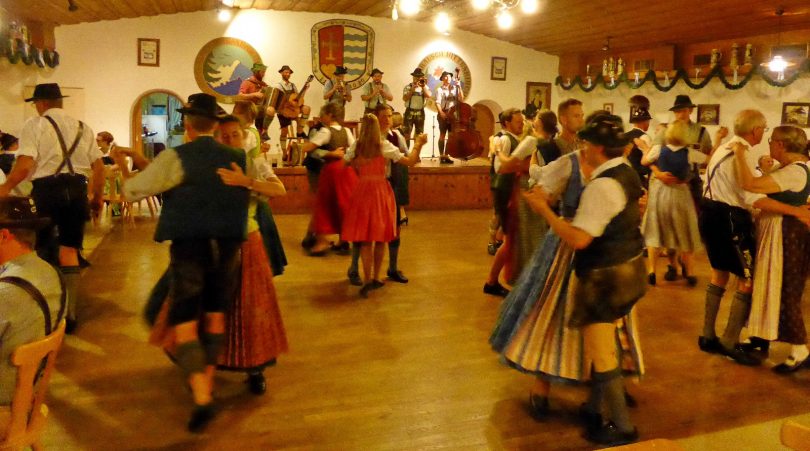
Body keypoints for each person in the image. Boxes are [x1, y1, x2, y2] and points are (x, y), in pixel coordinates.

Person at [491, 112, 644, 431]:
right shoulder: (570, 163)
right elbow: (544, 194)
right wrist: (544, 202)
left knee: (603, 326)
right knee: (552, 319)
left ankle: (602, 394)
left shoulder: (614, 172)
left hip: (596, 254)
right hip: (566, 249)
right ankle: (543, 389)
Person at [122, 93, 249, 432]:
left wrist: (124, 167)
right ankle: (206, 383)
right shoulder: (238, 156)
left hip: (191, 248)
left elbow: (132, 191)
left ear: (188, 125)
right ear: (215, 125)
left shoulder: (176, 157)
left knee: (186, 324)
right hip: (229, 248)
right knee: (216, 319)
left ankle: (203, 397)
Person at [144, 114, 288, 397]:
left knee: (248, 310)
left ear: (243, 136)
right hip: (206, 244)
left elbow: (279, 190)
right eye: (224, 135)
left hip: (246, 245)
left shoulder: (254, 164)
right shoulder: (205, 165)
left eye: (235, 134)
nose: (230, 140)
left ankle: (255, 369)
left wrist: (246, 181)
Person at [696, 109, 808, 367]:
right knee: (747, 279)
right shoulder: (741, 152)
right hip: (731, 219)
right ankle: (729, 342)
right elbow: (751, 195)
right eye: (764, 130)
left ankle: (708, 335)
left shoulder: (725, 147)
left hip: (710, 213)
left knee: (719, 274)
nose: (765, 137)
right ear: (755, 130)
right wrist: (797, 211)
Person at [0, 83, 104, 334]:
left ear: (42, 103)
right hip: (77, 190)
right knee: (69, 249)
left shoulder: (35, 125)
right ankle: (70, 314)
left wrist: (6, 188)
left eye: (36, 103)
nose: (36, 108)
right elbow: (99, 166)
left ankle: (44, 306)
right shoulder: (83, 127)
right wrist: (97, 198)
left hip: (47, 191)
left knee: (39, 247)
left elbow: (25, 164)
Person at [733, 126, 810, 373]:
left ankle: (800, 350)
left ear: (780, 145)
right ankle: (761, 335)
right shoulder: (789, 169)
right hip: (778, 230)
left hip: (785, 233)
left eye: (771, 141)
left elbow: (750, 184)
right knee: (768, 284)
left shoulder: (795, 172)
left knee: (785, 287)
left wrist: (739, 154)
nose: (769, 144)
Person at [342, 112, 424, 297]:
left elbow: (344, 163)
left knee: (365, 239)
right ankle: (376, 277)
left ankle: (367, 278)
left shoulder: (357, 145)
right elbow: (410, 161)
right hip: (380, 190)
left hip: (362, 191)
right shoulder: (383, 145)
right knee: (380, 237)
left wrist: (356, 166)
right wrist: (418, 144)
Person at [0, 197, 65, 405]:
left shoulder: (7, 292)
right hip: (30, 391)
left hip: (6, 400)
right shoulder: (52, 274)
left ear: (3, 236)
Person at [484, 108, 547, 295]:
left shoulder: (523, 141)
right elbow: (500, 167)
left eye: (522, 121)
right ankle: (494, 280)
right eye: (518, 122)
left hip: (516, 190)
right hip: (508, 190)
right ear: (507, 123)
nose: (522, 124)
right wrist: (518, 164)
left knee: (511, 239)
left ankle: (497, 280)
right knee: (509, 238)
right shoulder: (506, 140)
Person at [639, 120, 702, 286]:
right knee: (684, 232)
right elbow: (707, 159)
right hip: (680, 192)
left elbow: (644, 162)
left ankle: (652, 271)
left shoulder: (659, 149)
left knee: (656, 230)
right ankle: (689, 272)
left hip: (660, 192)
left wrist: (654, 166)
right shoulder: (689, 153)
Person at [302, 103, 357, 256]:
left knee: (325, 203)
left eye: (323, 114)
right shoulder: (347, 131)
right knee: (343, 203)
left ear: (330, 115)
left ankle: (322, 242)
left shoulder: (326, 131)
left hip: (332, 170)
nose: (321, 117)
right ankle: (344, 240)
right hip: (346, 170)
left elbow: (309, 148)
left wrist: (303, 147)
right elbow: (354, 148)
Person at [537, 98, 584, 164]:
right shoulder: (547, 149)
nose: (581, 120)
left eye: (582, 116)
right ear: (563, 120)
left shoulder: (585, 145)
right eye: (576, 116)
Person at [435, 71, 465, 164]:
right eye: (445, 76)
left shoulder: (455, 88)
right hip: (444, 113)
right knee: (442, 135)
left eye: (449, 76)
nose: (447, 78)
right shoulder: (439, 90)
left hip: (453, 114)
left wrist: (459, 86)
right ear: (442, 79)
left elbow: (461, 99)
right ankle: (441, 156)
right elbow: (437, 103)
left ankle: (446, 155)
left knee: (451, 136)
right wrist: (441, 113)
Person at [402, 67, 432, 148]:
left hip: (420, 112)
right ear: (413, 77)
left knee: (419, 135)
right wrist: (412, 90)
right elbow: (404, 98)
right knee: (406, 134)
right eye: (416, 76)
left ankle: (416, 153)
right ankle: (407, 153)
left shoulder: (424, 87)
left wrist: (423, 86)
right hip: (409, 112)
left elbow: (428, 95)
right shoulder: (408, 87)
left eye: (419, 77)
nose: (417, 78)